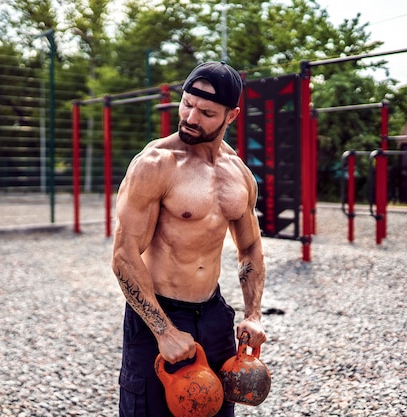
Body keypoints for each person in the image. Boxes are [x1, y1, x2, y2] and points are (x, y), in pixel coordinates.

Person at [111, 61, 267, 417]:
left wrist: (253, 314)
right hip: (158, 314)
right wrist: (164, 331)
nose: (191, 118)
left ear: (232, 115)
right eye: (187, 104)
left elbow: (250, 247)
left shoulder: (238, 173)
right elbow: (123, 255)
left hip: (213, 316)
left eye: (207, 112)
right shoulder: (156, 164)